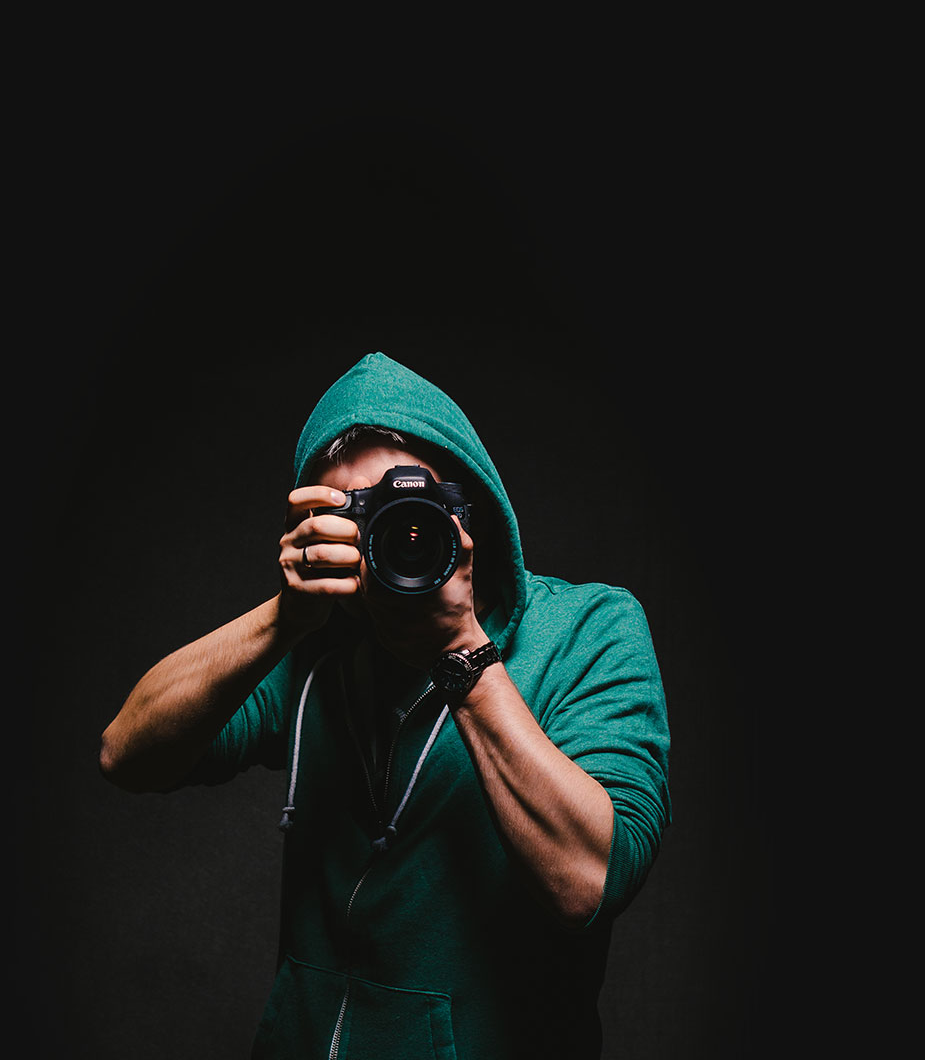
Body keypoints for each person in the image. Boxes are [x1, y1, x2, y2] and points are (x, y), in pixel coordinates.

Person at [98, 352, 671, 1059]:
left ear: (470, 511)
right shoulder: (318, 647)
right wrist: (284, 617)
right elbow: (126, 754)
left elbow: (589, 881)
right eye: (355, 517)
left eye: (410, 511)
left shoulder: (590, 629)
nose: (392, 536)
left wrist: (461, 652)